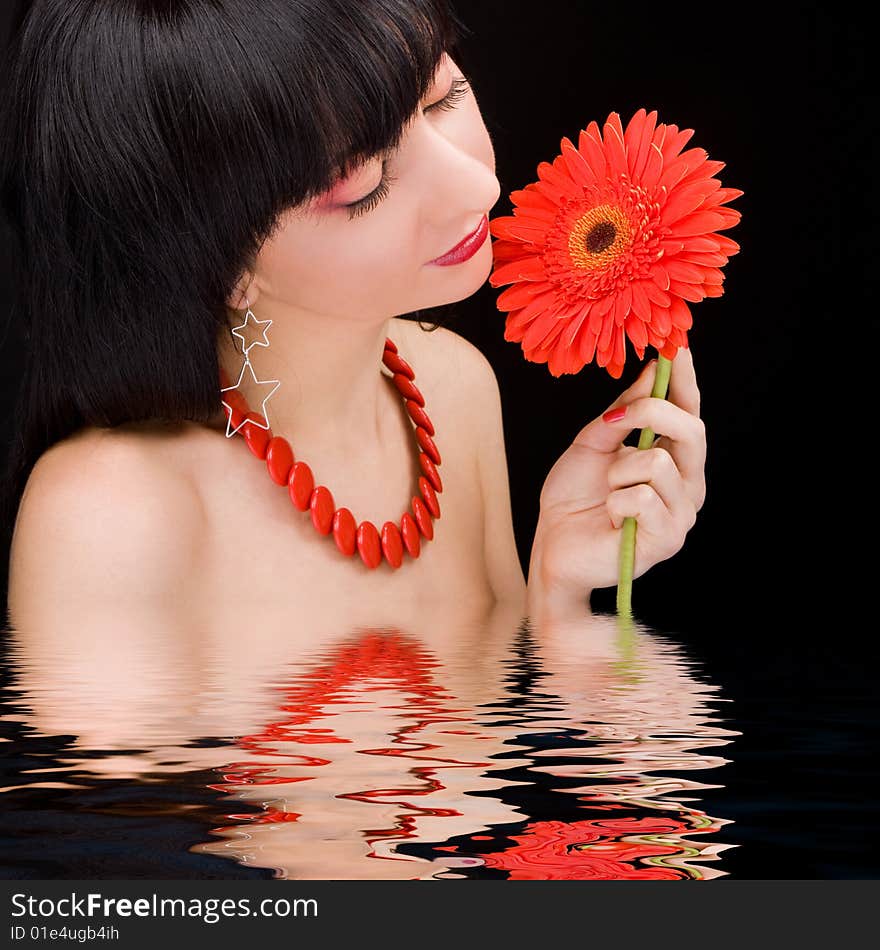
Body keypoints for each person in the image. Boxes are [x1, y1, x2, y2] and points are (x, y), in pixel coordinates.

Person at [0, 0, 705, 637]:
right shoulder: (109, 518)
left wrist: (560, 592)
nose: (479, 185)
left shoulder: (453, 387)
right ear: (224, 267)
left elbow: (475, 766)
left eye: (442, 97)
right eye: (363, 183)